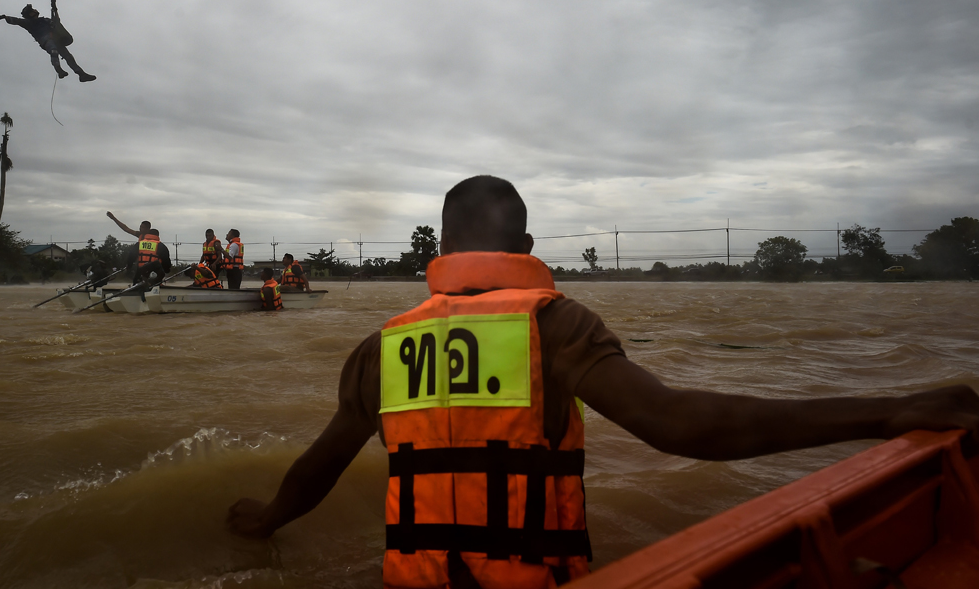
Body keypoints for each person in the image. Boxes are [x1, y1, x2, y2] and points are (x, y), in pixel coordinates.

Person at [227, 175, 979, 588]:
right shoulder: (555, 325)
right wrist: (892, 409)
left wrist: (263, 521)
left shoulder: (377, 349)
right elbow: (681, 426)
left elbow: (317, 469)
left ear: (442, 246)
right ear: (524, 246)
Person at [0, 0, 96, 81]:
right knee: (53, 51)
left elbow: (56, 22)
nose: (35, 10)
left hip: (56, 39)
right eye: (32, 11)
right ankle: (59, 69)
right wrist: (5, 17)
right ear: (30, 14)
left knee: (68, 57)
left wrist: (54, 8)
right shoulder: (29, 23)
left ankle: (81, 74)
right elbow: (17, 21)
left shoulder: (45, 20)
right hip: (46, 40)